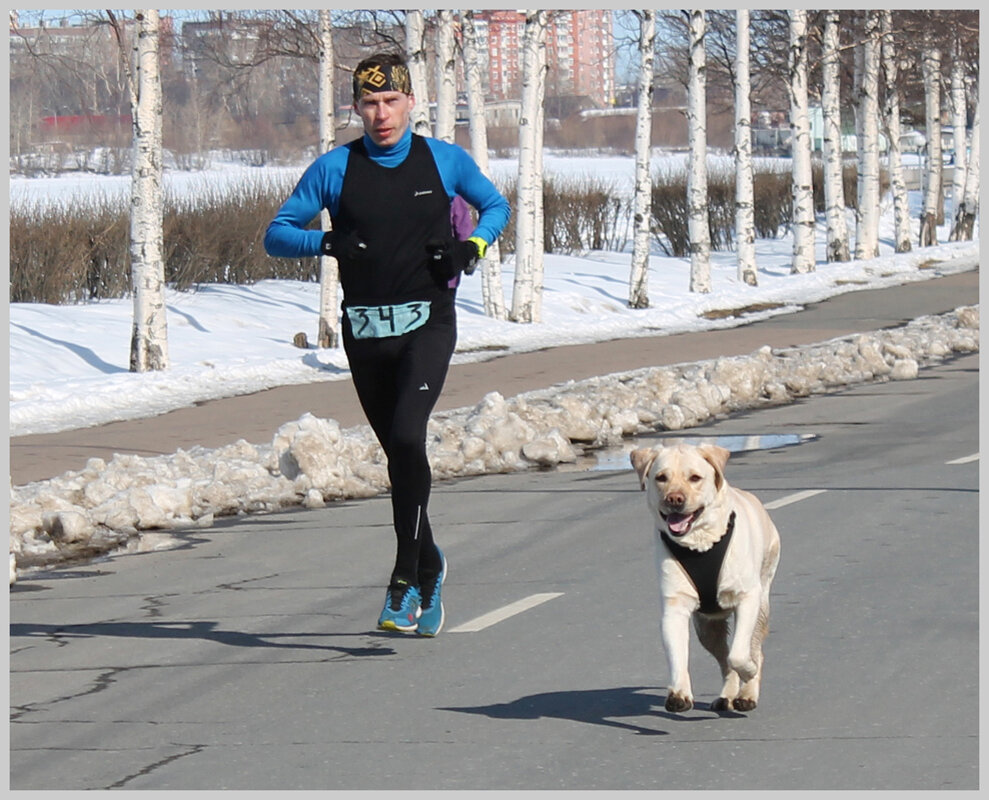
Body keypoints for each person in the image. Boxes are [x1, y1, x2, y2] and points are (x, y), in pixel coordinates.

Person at [264, 52, 511, 637]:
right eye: (370, 104)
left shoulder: (443, 160)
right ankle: (432, 564)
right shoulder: (334, 169)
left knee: (407, 435)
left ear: (410, 103)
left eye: (391, 101)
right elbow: (278, 234)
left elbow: (496, 206)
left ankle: (403, 579)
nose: (381, 115)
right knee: (400, 459)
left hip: (428, 324)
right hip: (366, 334)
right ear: (356, 108)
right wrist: (327, 244)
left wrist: (468, 248)